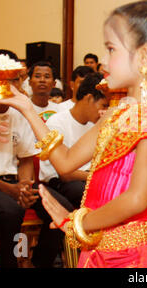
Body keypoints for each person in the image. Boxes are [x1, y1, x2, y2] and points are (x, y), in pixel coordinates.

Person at [0, 0, 147, 268]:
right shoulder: (118, 115)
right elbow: (65, 161)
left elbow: (137, 199)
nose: (104, 62)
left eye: (111, 50)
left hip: (131, 257)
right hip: (99, 249)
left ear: (143, 59)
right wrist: (25, 107)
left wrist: (76, 223)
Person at [0, 98, 73, 268]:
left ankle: (39, 263)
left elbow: (26, 159)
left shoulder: (19, 114)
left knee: (62, 207)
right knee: (11, 210)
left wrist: (25, 187)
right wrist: (12, 191)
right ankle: (10, 264)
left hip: (15, 181)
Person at [40, 73, 109, 209]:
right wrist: (96, 176)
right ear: (89, 98)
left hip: (87, 178)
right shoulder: (57, 122)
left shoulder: (96, 125)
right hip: (60, 182)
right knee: (93, 193)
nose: (105, 112)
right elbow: (65, 173)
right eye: (104, 106)